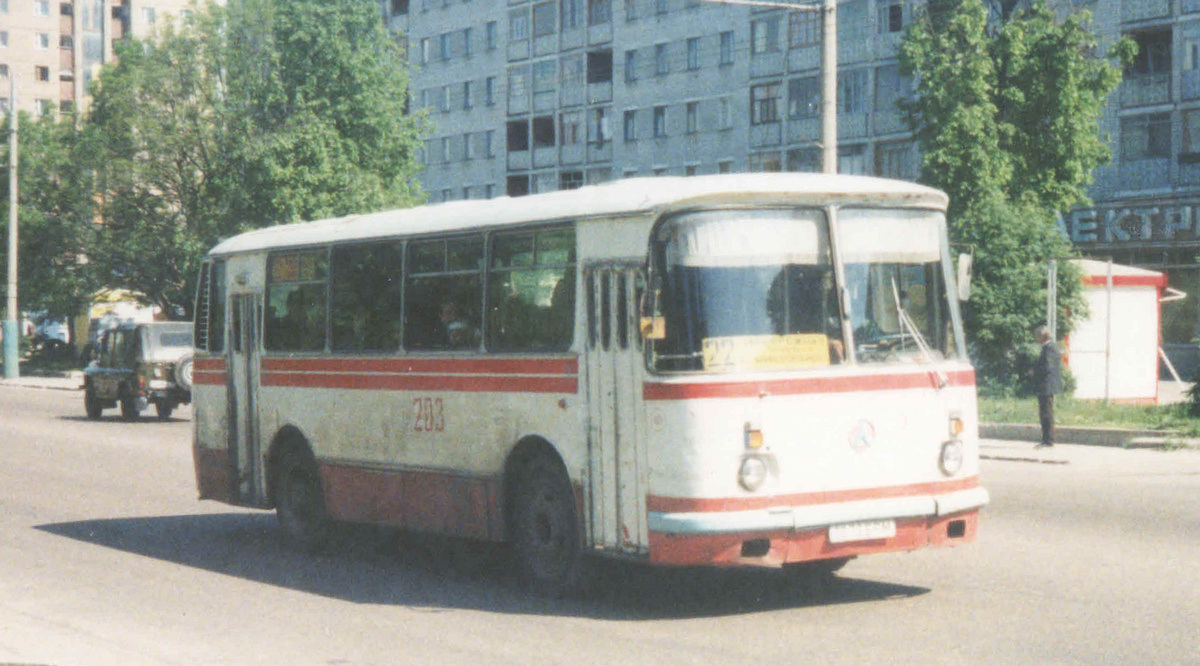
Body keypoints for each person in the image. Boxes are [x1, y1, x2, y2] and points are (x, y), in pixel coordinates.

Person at [1032, 325, 1062, 448]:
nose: (1036, 338)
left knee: (1046, 413)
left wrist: (1035, 371)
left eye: (1037, 336)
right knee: (1045, 412)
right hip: (1047, 385)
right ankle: (1046, 439)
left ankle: (1048, 440)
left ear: (1042, 336)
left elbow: (1047, 367)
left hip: (1047, 385)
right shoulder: (1051, 347)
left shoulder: (1049, 348)